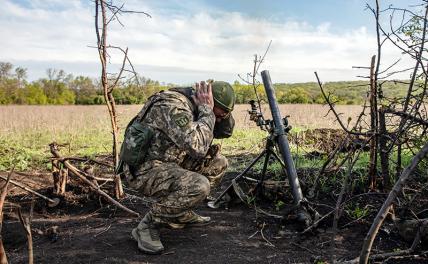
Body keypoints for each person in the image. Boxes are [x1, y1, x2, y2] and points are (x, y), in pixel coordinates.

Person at [120, 80, 236, 254]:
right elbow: (198, 147)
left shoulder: (195, 104)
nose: (219, 119)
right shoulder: (173, 106)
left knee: (218, 163)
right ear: (209, 102)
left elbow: (225, 132)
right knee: (198, 186)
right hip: (144, 169)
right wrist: (207, 112)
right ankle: (147, 225)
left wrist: (218, 115)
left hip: (169, 160)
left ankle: (178, 211)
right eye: (219, 115)